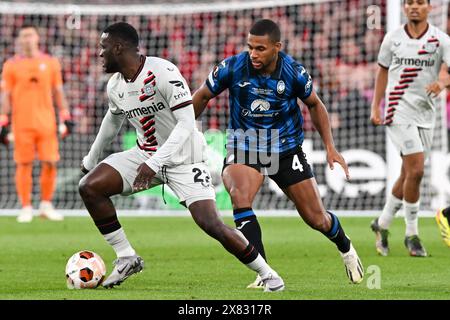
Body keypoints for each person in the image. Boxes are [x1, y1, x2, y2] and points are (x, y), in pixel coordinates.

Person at [79, 22, 284, 291]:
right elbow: (112, 120)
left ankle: (269, 274)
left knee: (210, 224)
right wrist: (91, 160)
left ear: (118, 48)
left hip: (184, 158)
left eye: (103, 48)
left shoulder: (163, 71)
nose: (100, 53)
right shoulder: (115, 85)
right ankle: (126, 257)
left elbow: (187, 123)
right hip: (146, 153)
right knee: (90, 187)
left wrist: (154, 164)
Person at [193, 19, 364, 289]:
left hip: (285, 147)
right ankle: (265, 273)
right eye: (250, 47)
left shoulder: (294, 72)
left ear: (277, 47)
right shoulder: (232, 67)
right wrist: (181, 132)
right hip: (245, 143)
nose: (253, 54)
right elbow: (202, 96)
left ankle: (346, 247)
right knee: (239, 196)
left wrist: (330, 147)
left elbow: (315, 105)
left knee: (316, 218)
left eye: (260, 48)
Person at [370, 0, 450, 257]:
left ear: (429, 7)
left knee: (408, 174)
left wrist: (441, 82)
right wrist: (376, 106)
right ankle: (412, 234)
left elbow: (449, 73)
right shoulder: (392, 39)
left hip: (426, 114)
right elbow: (382, 72)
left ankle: (381, 224)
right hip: (397, 111)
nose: (415, 7)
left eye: (420, 2)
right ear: (404, 8)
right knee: (416, 169)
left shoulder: (441, 40)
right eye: (410, 3)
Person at [0, 24, 73, 223]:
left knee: (50, 162)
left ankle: (46, 205)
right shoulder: (11, 65)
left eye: (30, 35)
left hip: (47, 123)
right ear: (19, 40)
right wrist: (3, 120)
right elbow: (5, 96)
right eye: (23, 36)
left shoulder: (50, 63)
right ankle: (26, 207)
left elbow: (58, 92)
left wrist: (65, 115)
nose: (27, 39)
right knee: (24, 164)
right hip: (21, 123)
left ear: (37, 38)